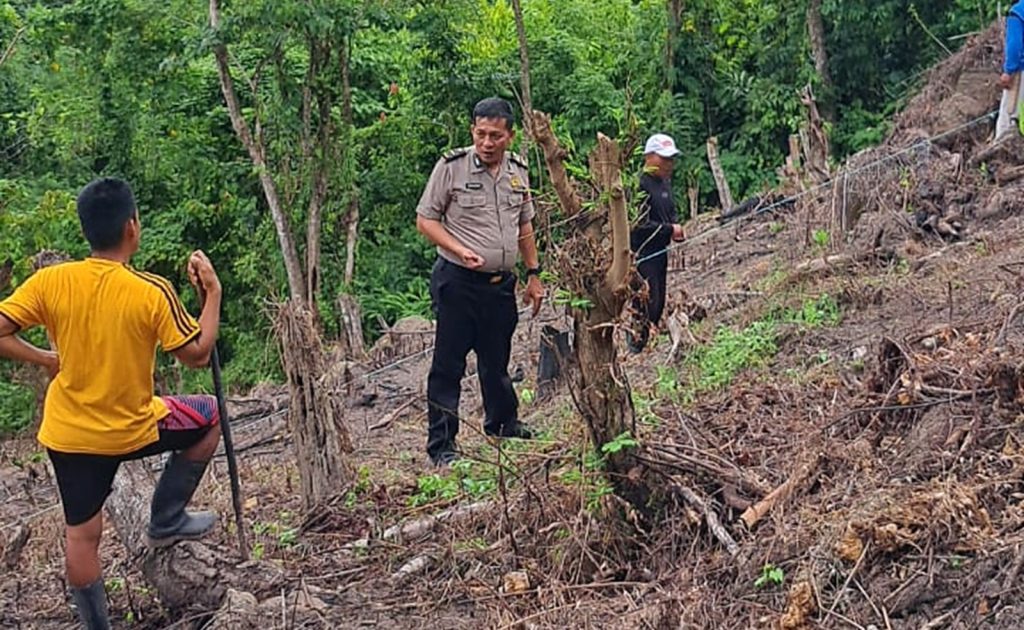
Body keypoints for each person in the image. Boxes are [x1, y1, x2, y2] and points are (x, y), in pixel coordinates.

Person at [0, 178, 223, 629]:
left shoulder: (51, 281)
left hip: (69, 434)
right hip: (131, 428)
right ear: (131, 227)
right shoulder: (150, 290)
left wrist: (46, 359)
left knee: (82, 536)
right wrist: (213, 294)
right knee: (212, 415)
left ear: (87, 230)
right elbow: (198, 354)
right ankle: (165, 519)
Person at [415, 96, 544, 466]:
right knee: (448, 365)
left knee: (496, 358)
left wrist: (533, 273)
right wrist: (459, 249)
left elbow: (525, 224)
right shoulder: (451, 167)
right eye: (481, 134)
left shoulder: (518, 171)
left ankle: (503, 423)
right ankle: (442, 445)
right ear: (472, 130)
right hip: (457, 282)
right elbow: (425, 220)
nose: (487, 143)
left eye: (495, 136)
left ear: (510, 136)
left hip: (500, 285)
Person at [627, 133, 685, 353]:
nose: (669, 164)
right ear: (649, 156)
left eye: (671, 159)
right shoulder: (639, 185)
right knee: (645, 301)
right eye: (664, 158)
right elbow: (638, 224)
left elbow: (670, 212)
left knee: (658, 301)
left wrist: (675, 227)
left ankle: (646, 343)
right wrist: (670, 229)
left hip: (660, 251)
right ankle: (636, 346)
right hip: (643, 253)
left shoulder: (664, 183)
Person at [997, 1, 1024, 140]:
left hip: (1021, 73)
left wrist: (1009, 71)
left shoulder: (1018, 12)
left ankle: (1001, 149)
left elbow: (1015, 46)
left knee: (1008, 118)